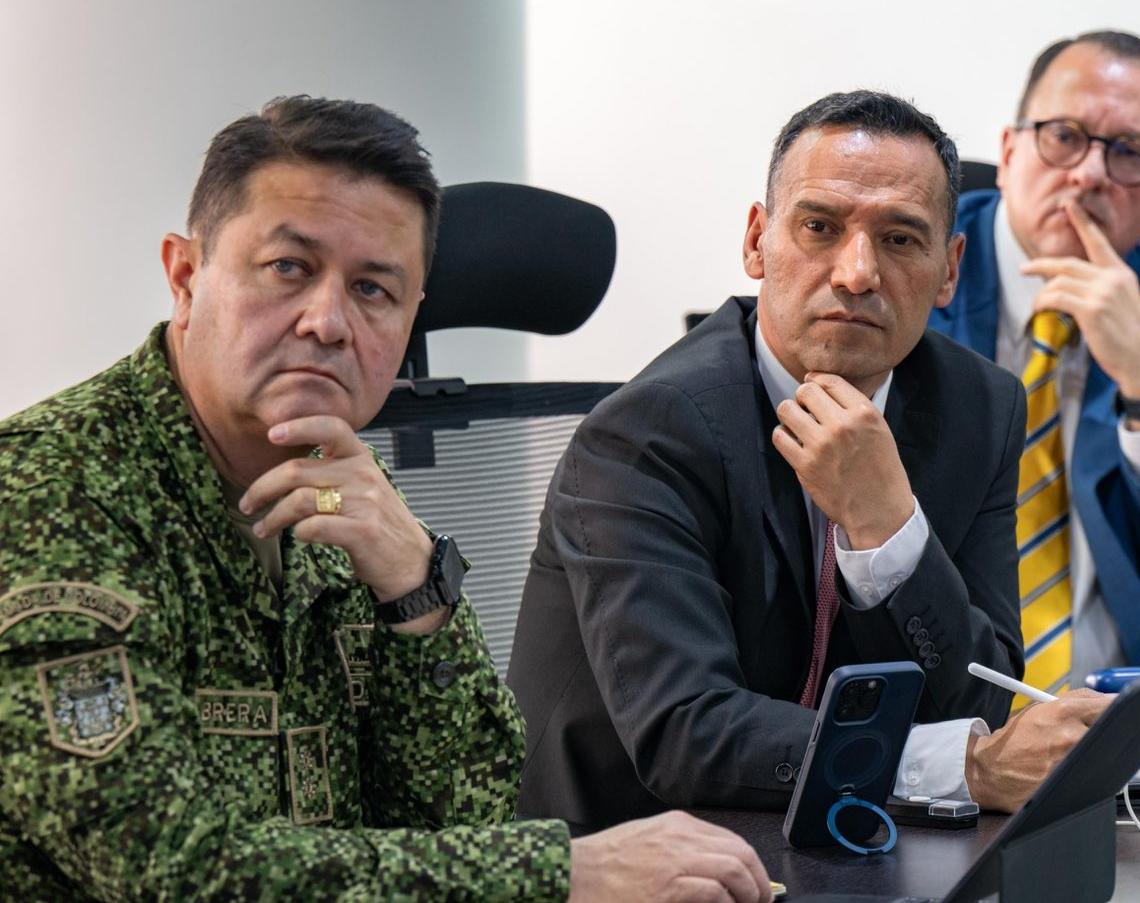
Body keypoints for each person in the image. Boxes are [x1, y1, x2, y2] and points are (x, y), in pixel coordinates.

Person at [0, 96, 771, 902]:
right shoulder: (51, 492)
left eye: (373, 290)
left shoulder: (350, 484)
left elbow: (464, 806)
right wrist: (561, 872)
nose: (329, 321)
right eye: (289, 268)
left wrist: (420, 592)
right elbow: (165, 870)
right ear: (186, 277)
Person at [510, 90, 1111, 832]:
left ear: (948, 268)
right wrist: (960, 766)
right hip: (641, 848)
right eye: (820, 227)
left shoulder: (979, 408)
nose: (857, 272)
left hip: (853, 843)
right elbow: (685, 734)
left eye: (899, 239)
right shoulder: (645, 434)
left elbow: (978, 698)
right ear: (757, 241)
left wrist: (888, 528)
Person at [927, 31, 1140, 690]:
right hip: (937, 717)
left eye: (1128, 152)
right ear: (1008, 152)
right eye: (1063, 135)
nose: (1089, 173)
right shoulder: (909, 277)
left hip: (1118, 725)